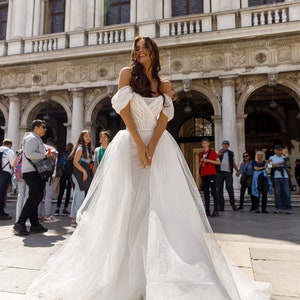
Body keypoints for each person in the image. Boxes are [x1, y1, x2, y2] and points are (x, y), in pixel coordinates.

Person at [26, 37, 270, 300]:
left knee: (161, 206)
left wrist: (151, 147)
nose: (140, 51)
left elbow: (164, 118)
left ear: (154, 52)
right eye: (137, 48)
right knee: (127, 206)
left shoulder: (164, 84)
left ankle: (155, 272)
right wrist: (139, 146)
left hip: (159, 144)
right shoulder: (127, 74)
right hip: (129, 144)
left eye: (145, 48)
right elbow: (124, 112)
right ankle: (125, 274)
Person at [13, 119, 52, 236]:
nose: (45, 129)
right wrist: (44, 155)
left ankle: (34, 225)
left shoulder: (36, 139)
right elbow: (29, 153)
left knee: (35, 197)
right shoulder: (31, 138)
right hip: (31, 171)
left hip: (34, 171)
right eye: (43, 127)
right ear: (36, 127)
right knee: (35, 196)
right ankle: (20, 223)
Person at [69, 130, 93, 228]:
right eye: (86, 136)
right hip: (79, 174)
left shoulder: (85, 148)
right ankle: (78, 219)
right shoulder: (80, 148)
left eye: (89, 136)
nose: (88, 137)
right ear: (81, 137)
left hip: (80, 173)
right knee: (80, 197)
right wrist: (84, 171)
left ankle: (74, 218)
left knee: (77, 196)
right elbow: (75, 162)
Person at [38, 138, 59, 223]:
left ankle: (38, 215)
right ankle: (47, 215)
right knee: (48, 196)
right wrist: (54, 174)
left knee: (40, 196)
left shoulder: (41, 149)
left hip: (41, 175)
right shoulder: (53, 150)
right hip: (50, 175)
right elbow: (55, 163)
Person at [198, 137, 220, 217]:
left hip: (211, 174)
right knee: (206, 193)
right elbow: (200, 165)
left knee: (214, 192)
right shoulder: (200, 153)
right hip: (204, 174)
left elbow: (218, 162)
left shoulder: (212, 152)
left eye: (205, 143)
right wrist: (201, 162)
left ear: (208, 143)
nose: (204, 144)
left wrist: (208, 160)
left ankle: (216, 210)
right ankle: (207, 210)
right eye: (202, 143)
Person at [217, 140, 239, 211]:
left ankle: (233, 205)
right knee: (219, 189)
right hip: (220, 173)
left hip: (228, 173)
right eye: (224, 144)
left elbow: (233, 162)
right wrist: (218, 155)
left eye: (227, 144)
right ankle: (221, 206)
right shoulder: (219, 152)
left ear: (228, 146)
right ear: (222, 145)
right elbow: (214, 160)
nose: (225, 145)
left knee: (229, 187)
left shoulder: (231, 153)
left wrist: (237, 170)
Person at [269, 144, 292, 214]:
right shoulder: (272, 157)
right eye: (278, 150)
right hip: (276, 177)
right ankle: (278, 208)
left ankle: (288, 208)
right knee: (277, 193)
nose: (279, 151)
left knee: (287, 192)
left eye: (280, 150)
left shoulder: (285, 157)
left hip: (285, 176)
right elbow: (270, 165)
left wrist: (283, 160)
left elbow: (288, 165)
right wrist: (281, 163)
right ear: (275, 150)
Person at [54, 143, 74, 216]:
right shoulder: (71, 155)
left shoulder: (63, 155)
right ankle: (63, 209)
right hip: (68, 175)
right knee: (66, 192)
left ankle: (58, 208)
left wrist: (60, 173)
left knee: (62, 192)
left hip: (65, 175)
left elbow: (59, 165)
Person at [0, 139, 15, 220]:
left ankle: (2, 211)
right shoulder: (9, 151)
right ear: (9, 145)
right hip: (5, 173)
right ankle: (1, 213)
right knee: (2, 193)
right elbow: (13, 164)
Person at [13, 147, 29, 222]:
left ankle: (17, 219)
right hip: (27, 175)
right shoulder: (29, 152)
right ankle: (25, 220)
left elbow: (13, 164)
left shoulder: (18, 152)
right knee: (27, 196)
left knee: (20, 196)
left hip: (19, 175)